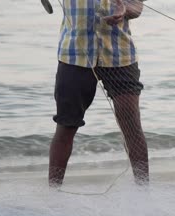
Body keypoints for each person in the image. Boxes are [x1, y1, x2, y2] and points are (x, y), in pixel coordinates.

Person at [49, 0, 148, 187]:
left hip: (121, 55)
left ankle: (144, 190)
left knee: (132, 126)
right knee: (66, 126)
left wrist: (125, 10)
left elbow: (138, 7)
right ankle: (53, 193)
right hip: (74, 55)